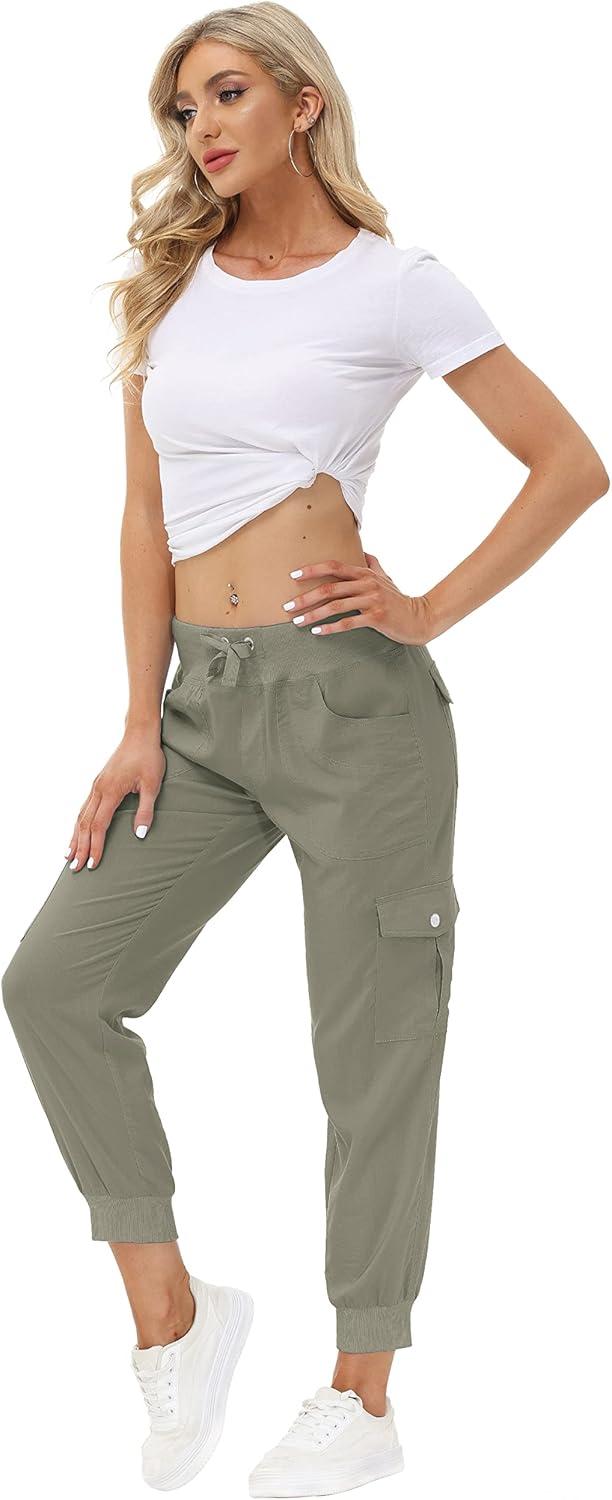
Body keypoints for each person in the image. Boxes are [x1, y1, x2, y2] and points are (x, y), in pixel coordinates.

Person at [2, 4, 608, 1497]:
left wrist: (425, 608)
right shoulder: (172, 285)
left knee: (374, 1049)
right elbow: (143, 518)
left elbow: (570, 463)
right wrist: (137, 719)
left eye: (225, 93)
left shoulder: (398, 283)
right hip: (199, 714)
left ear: (300, 102)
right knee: (55, 985)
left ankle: (362, 1394)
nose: (200, 127)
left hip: (355, 711)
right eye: (180, 109)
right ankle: (176, 1315)